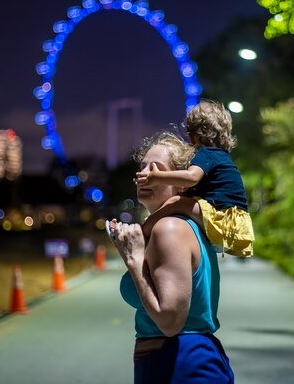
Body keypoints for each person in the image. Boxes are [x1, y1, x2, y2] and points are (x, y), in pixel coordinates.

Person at [108, 130, 234, 384]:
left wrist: (134, 260)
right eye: (142, 167)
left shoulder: (170, 229)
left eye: (157, 169)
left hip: (180, 362)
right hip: (172, 360)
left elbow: (169, 321)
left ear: (182, 182)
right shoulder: (178, 226)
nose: (145, 175)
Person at [134, 99, 254, 258]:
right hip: (235, 221)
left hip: (223, 217)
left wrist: (158, 177)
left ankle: (141, 233)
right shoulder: (222, 156)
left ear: (193, 134)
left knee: (174, 203)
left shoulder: (207, 154)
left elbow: (191, 178)